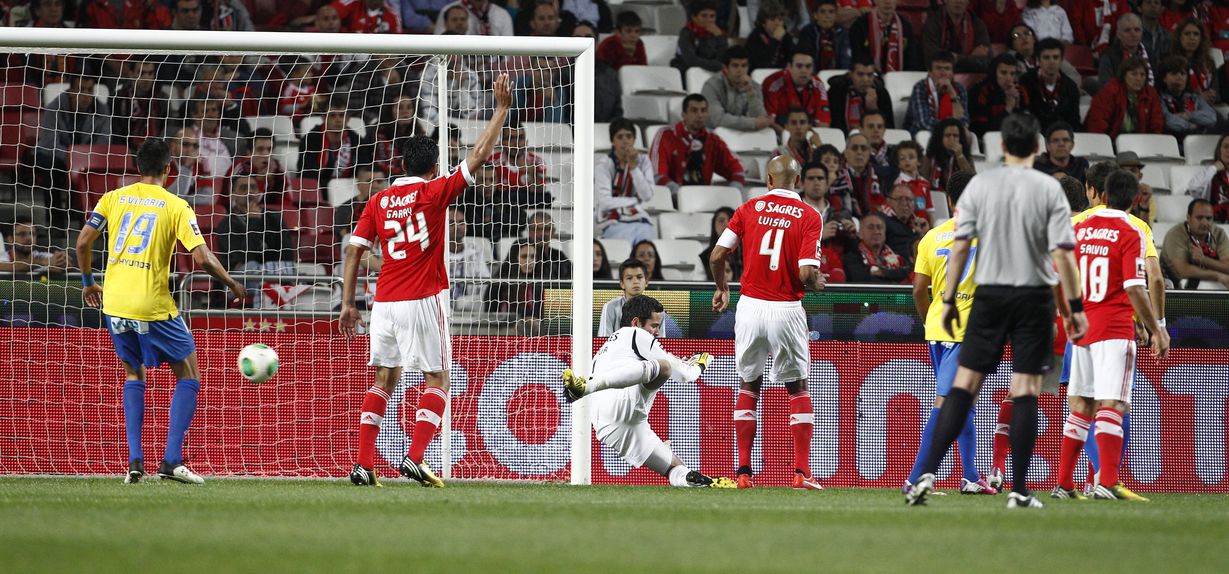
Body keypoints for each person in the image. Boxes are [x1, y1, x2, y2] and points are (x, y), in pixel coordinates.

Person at [905, 113, 1087, 509]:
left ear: (1002, 146)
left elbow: (959, 246)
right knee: (1025, 391)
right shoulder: (1049, 189)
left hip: (989, 295)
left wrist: (948, 298)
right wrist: (1074, 308)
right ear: (1038, 149)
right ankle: (1020, 490)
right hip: (1033, 297)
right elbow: (1062, 254)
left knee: (962, 388)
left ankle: (922, 477)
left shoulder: (980, 187)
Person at [339, 73, 512, 488]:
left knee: (385, 378)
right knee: (437, 379)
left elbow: (354, 251)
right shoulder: (435, 192)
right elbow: (480, 153)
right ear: (433, 166)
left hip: (383, 301)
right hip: (422, 297)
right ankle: (415, 458)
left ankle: (364, 464)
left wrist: (348, 303)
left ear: (400, 166)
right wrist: (502, 108)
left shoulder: (378, 200)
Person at [75, 138, 247, 485]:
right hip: (151, 303)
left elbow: (82, 242)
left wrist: (89, 282)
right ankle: (171, 461)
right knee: (188, 373)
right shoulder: (176, 205)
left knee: (133, 374)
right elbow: (201, 258)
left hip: (115, 301)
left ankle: (134, 463)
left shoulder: (113, 197)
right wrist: (232, 284)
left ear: (138, 168)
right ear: (170, 169)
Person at [709, 155, 826, 490]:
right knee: (797, 387)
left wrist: (721, 287)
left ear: (769, 180)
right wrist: (814, 282)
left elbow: (717, 255)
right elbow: (806, 272)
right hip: (786, 308)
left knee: (749, 385)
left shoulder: (749, 208)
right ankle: (801, 473)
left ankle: (743, 473)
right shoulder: (809, 215)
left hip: (750, 307)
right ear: (798, 179)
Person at [1053, 170, 1169, 501]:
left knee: (1081, 405)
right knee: (1113, 403)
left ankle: (1064, 483)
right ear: (1135, 200)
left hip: (1082, 328)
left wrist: (1067, 317)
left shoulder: (1079, 228)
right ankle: (1107, 481)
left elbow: (1059, 275)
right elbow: (1136, 286)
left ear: (1101, 193)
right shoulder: (1132, 230)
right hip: (1115, 327)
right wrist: (1155, 328)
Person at [562, 295, 731, 488]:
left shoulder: (605, 349)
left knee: (676, 469)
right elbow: (685, 375)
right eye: (654, 325)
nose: (657, 332)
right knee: (664, 367)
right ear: (636, 322)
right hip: (620, 402)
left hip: (607, 427)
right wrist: (700, 364)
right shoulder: (634, 333)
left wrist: (683, 362)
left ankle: (708, 484)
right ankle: (585, 388)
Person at [906, 170, 998, 496]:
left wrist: (930, 317)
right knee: (947, 402)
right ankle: (916, 477)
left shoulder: (932, 237)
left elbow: (919, 289)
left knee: (963, 403)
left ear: (948, 199)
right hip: (967, 330)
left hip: (937, 328)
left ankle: (971, 476)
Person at [650, 94, 746, 194]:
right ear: (684, 115)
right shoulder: (666, 135)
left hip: (704, 199)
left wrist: (733, 192)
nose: (700, 115)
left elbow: (737, 169)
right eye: (694, 110)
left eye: (703, 111)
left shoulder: (713, 139)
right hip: (671, 199)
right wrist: (681, 195)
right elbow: (657, 174)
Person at [215, 174, 294, 280]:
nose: (249, 192)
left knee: (315, 269)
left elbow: (287, 254)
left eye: (253, 187)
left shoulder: (274, 217)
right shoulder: (226, 225)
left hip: (273, 271)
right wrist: (254, 220)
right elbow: (245, 256)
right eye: (243, 188)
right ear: (234, 195)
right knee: (251, 266)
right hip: (238, 279)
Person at [596, 119, 656, 246]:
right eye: (620, 137)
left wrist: (634, 167)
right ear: (612, 141)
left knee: (646, 246)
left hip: (639, 220)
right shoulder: (604, 165)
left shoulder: (644, 161)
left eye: (629, 136)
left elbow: (647, 195)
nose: (625, 141)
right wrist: (634, 201)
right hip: (613, 221)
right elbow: (605, 202)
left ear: (634, 140)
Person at [598, 258, 683, 337]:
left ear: (646, 282)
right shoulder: (610, 307)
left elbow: (660, 343)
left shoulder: (658, 310)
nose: (635, 281)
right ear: (622, 284)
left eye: (639, 277)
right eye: (629, 278)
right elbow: (603, 341)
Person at [1087, 57, 1165, 139]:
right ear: (1124, 75)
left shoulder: (1151, 94)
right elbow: (1098, 122)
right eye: (1134, 74)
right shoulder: (1110, 91)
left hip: (1142, 143)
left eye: (1142, 75)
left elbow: (1157, 123)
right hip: (1112, 141)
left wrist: (1154, 142)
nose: (1139, 79)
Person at [701, 46, 775, 132]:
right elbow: (718, 119)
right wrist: (752, 123)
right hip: (714, 133)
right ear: (725, 68)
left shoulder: (753, 86)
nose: (740, 70)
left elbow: (760, 117)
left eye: (744, 66)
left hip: (743, 134)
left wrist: (751, 93)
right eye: (735, 66)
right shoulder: (711, 86)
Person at [1161, 198, 1229, 289]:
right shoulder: (1175, 234)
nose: (1205, 223)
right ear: (1188, 218)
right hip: (1174, 285)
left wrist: (1204, 260)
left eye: (1209, 218)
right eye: (1199, 218)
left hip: (1206, 281)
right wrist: (1217, 276)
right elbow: (1183, 270)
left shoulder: (1218, 233)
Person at [1021, 38, 1083, 131]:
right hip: (1032, 136)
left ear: (1061, 60)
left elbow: (1074, 122)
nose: (1051, 62)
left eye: (1055, 57)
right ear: (1038, 60)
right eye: (1046, 57)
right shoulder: (1025, 82)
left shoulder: (1071, 87)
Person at [299, 96, 359, 188]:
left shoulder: (355, 139)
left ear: (348, 118)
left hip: (349, 189)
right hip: (318, 190)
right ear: (324, 118)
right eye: (333, 115)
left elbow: (363, 169)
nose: (338, 120)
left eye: (342, 115)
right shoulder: (311, 139)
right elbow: (307, 174)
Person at [761, 50, 831, 128]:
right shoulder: (773, 83)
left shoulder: (818, 85)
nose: (804, 71)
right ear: (789, 67)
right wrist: (788, 136)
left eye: (808, 66)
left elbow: (823, 123)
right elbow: (769, 121)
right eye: (799, 66)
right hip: (780, 132)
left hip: (808, 131)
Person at [904, 51, 969, 135]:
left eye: (947, 68)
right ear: (930, 72)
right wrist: (950, 129)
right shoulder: (920, 88)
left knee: (967, 135)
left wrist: (952, 94)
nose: (943, 73)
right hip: (922, 138)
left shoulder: (960, 89)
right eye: (938, 68)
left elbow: (965, 122)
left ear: (952, 73)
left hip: (949, 135)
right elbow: (924, 123)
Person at [849, 0, 919, 74]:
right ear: (875, 1)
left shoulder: (905, 26)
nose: (887, 2)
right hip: (869, 78)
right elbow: (858, 59)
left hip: (899, 79)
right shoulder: (860, 25)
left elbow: (912, 60)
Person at [922, 0, 992, 73]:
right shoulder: (933, 23)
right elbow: (931, 59)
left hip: (970, 79)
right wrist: (971, 58)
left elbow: (986, 62)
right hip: (940, 77)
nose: (958, 1)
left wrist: (956, 58)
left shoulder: (977, 24)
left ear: (968, 1)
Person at [827, 58, 894, 134]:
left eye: (870, 75)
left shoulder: (881, 93)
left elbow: (890, 128)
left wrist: (874, 109)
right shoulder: (836, 91)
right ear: (850, 74)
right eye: (860, 74)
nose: (865, 79)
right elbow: (834, 124)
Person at [969, 54, 1030, 137]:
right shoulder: (981, 91)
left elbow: (1028, 126)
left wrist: (1017, 107)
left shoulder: (1020, 91)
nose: (1008, 78)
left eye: (1012, 74)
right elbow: (980, 129)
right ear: (994, 73)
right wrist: (1008, 109)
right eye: (1003, 73)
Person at [829, 132, 887, 217]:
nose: (859, 152)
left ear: (869, 153)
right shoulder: (836, 176)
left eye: (863, 148)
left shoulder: (881, 174)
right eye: (854, 148)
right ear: (846, 153)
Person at [842, 212, 909, 283]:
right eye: (871, 227)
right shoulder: (852, 257)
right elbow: (862, 280)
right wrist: (892, 278)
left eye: (879, 227)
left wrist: (883, 272)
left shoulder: (896, 254)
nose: (876, 231)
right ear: (860, 234)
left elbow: (908, 272)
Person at [1159, 55, 1217, 136]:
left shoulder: (1194, 97)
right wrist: (1192, 126)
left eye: (1183, 73)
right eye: (1174, 73)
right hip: (1171, 142)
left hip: (1196, 142)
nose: (1179, 77)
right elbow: (1170, 122)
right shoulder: (1159, 99)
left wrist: (1187, 116)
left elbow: (1211, 117)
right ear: (1164, 78)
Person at [1098, 14, 1155, 90]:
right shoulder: (1109, 56)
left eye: (1137, 30)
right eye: (1127, 30)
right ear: (1118, 34)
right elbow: (1105, 87)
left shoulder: (1150, 53)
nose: (1133, 34)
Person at [1171, 17, 1220, 106]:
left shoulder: (1209, 62)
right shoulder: (1170, 61)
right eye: (1187, 33)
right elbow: (1171, 93)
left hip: (1209, 108)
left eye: (1196, 34)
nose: (1192, 38)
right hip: (1182, 109)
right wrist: (1198, 97)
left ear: (1201, 38)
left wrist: (1212, 95)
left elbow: (1217, 92)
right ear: (1179, 37)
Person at [670, 0, 728, 73]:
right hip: (685, 72)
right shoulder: (686, 33)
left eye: (712, 16)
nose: (709, 20)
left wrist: (720, 37)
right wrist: (717, 66)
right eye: (704, 16)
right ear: (694, 17)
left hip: (711, 73)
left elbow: (722, 59)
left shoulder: (718, 34)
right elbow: (691, 60)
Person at [0, 216, 70, 273]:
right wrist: (40, 262)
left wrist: (62, 261)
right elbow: (4, 266)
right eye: (22, 234)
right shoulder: (3, 258)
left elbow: (65, 265)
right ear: (10, 239)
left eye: (33, 234)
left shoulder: (43, 256)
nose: (29, 238)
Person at [923, 118, 975, 193]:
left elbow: (972, 181)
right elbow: (923, 180)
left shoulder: (966, 156)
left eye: (955, 136)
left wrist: (960, 156)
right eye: (947, 135)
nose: (952, 139)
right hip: (935, 196)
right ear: (940, 137)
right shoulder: (930, 156)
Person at [1185, 133, 1229, 221]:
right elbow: (1193, 188)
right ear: (1219, 150)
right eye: (1226, 147)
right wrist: (1213, 168)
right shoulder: (1210, 174)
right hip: (1214, 224)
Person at [796, 0, 851, 71]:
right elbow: (805, 58)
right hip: (813, 76)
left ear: (836, 15)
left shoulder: (843, 33)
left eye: (831, 12)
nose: (827, 16)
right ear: (815, 15)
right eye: (822, 12)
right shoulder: (807, 32)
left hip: (838, 76)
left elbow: (846, 59)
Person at [745, 2, 795, 70]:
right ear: (763, 22)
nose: (777, 23)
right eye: (772, 19)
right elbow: (762, 66)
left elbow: (793, 59)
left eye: (780, 20)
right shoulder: (754, 38)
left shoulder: (786, 37)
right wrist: (775, 41)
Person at [881, 184, 925, 256]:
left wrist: (923, 234)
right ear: (888, 201)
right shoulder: (880, 221)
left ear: (914, 203)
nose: (904, 203)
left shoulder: (917, 223)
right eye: (899, 199)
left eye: (908, 199)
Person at [699, 208, 740, 280]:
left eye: (731, 220)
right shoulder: (704, 257)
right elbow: (698, 288)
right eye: (721, 221)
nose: (727, 224)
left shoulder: (748, 255)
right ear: (713, 226)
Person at [892, 140, 931, 216]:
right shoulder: (898, 184)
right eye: (902, 158)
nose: (907, 160)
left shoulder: (925, 183)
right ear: (899, 164)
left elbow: (929, 209)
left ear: (919, 161)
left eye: (911, 157)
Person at [434, 0, 513, 35]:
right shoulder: (449, 10)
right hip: (456, 66)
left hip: (495, 68)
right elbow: (437, 47)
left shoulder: (502, 14)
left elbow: (509, 53)